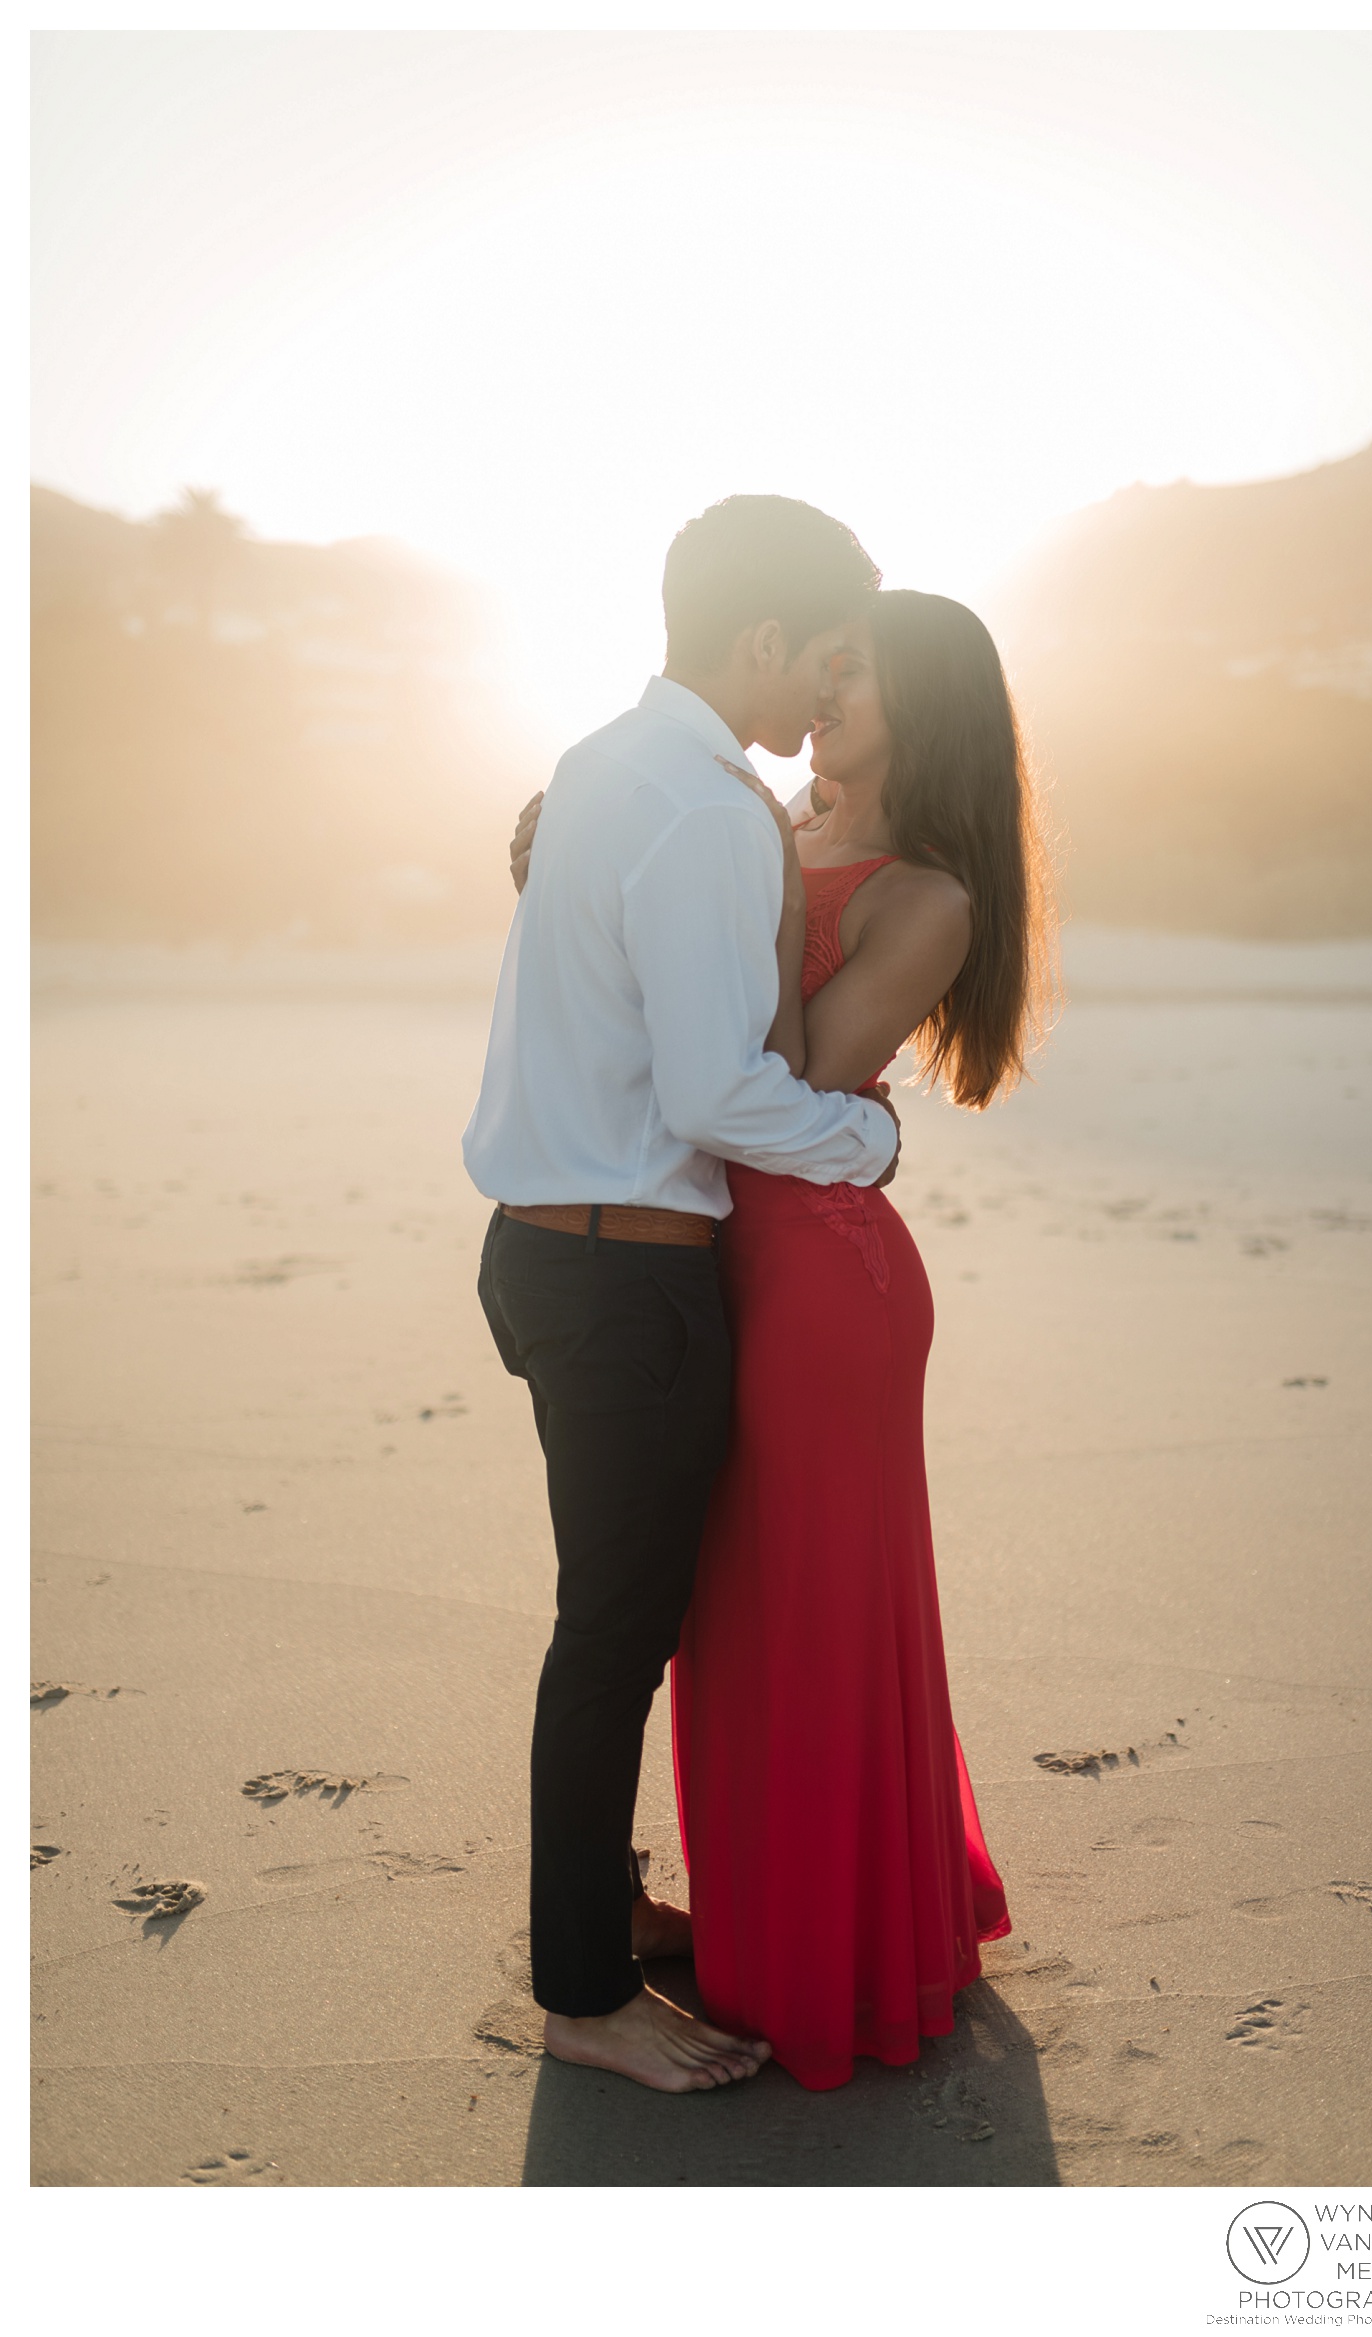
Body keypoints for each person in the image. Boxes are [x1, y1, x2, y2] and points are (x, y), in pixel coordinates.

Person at [509, 585, 1055, 2090]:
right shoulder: (748, 819)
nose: (824, 690)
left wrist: (637, 873)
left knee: (808, 1616)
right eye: (822, 661)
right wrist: (588, 872)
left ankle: (829, 1940)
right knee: (717, 1616)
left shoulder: (924, 891)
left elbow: (796, 1070)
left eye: (854, 670)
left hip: (818, 1280)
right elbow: (655, 995)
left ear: (921, 703)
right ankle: (740, 1908)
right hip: (698, 1255)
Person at [463, 495, 902, 2096]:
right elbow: (723, 1092)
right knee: (615, 1637)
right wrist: (867, 1133)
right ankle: (583, 1988)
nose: (821, 701)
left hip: (546, 1249)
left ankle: (602, 1909)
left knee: (617, 1623)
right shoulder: (708, 809)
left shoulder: (595, 764)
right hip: (626, 1278)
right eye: (823, 660)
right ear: (764, 639)